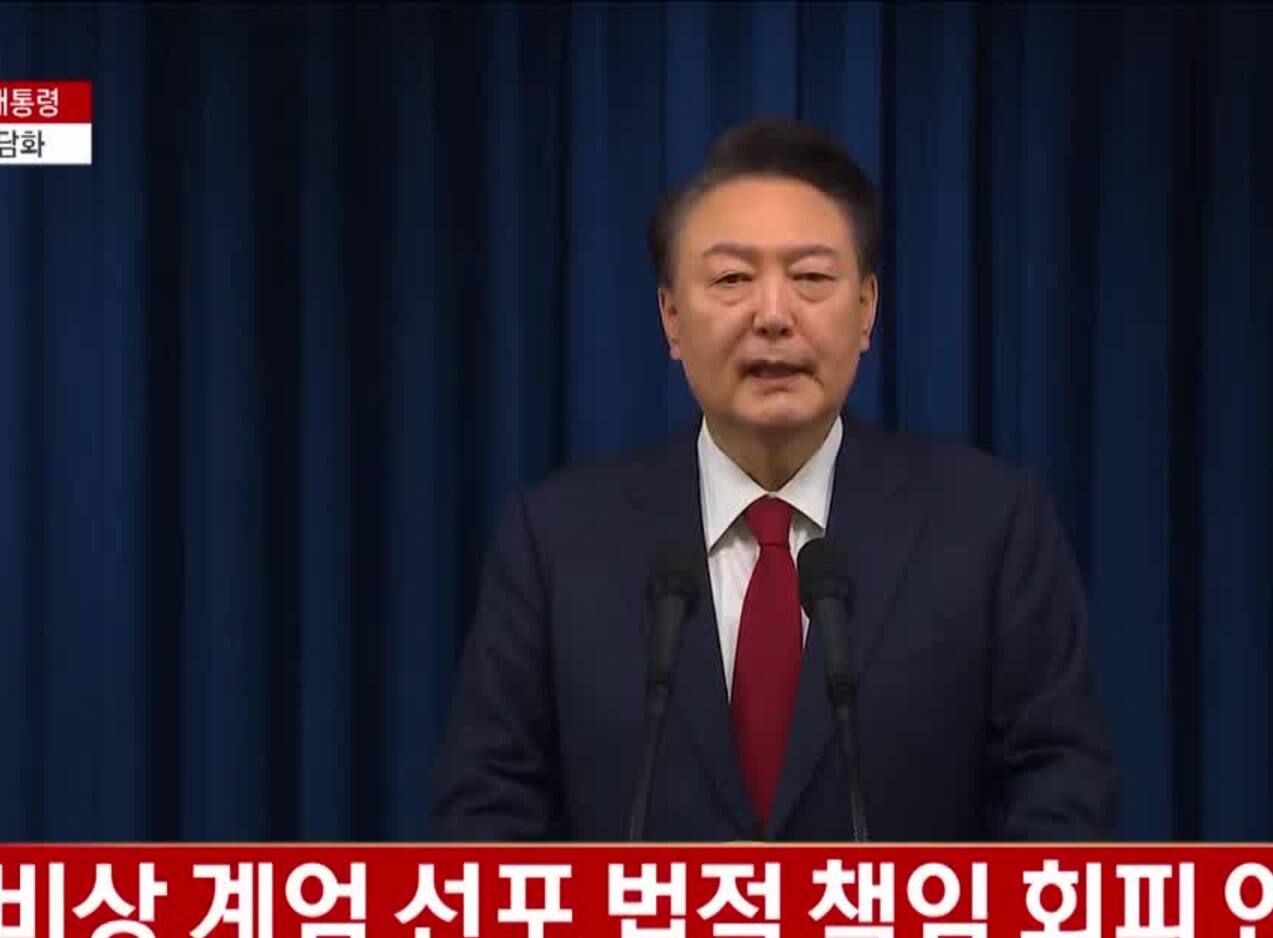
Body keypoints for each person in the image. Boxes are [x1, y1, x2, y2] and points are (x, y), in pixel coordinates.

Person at [429, 118, 1115, 842]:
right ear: (671, 318)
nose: (774, 316)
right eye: (732, 279)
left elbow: (1061, 797)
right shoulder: (557, 540)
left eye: (811, 278)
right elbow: (485, 817)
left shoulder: (989, 524)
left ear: (866, 310)